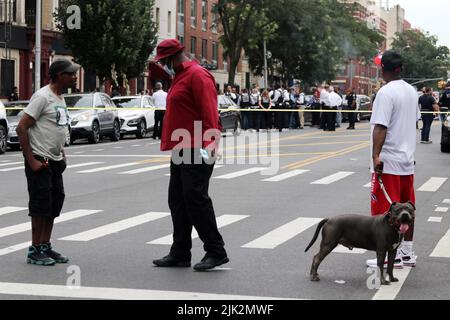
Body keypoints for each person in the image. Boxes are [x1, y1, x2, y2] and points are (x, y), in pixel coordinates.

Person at [151, 39, 229, 271]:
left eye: (163, 61)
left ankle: (216, 250)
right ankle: (180, 252)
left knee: (196, 200)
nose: (162, 65)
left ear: (171, 57)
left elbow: (210, 114)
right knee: (177, 200)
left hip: (197, 146)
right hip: (182, 146)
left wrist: (210, 146)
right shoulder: (179, 76)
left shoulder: (198, 75)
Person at [16, 59, 80, 266]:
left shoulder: (59, 97)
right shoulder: (42, 97)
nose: (74, 77)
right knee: (40, 205)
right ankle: (34, 250)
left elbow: (56, 126)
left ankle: (45, 245)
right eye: (70, 74)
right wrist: (32, 160)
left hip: (54, 160)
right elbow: (22, 127)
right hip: (40, 160)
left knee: (54, 203)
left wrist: (61, 151)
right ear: (59, 75)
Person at [367, 51, 421, 269]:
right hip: (407, 161)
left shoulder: (385, 92)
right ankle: (407, 253)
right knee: (408, 209)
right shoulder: (411, 91)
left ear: (383, 70)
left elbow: (381, 126)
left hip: (388, 162)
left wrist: (376, 156)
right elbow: (414, 122)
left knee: (385, 212)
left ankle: (392, 256)